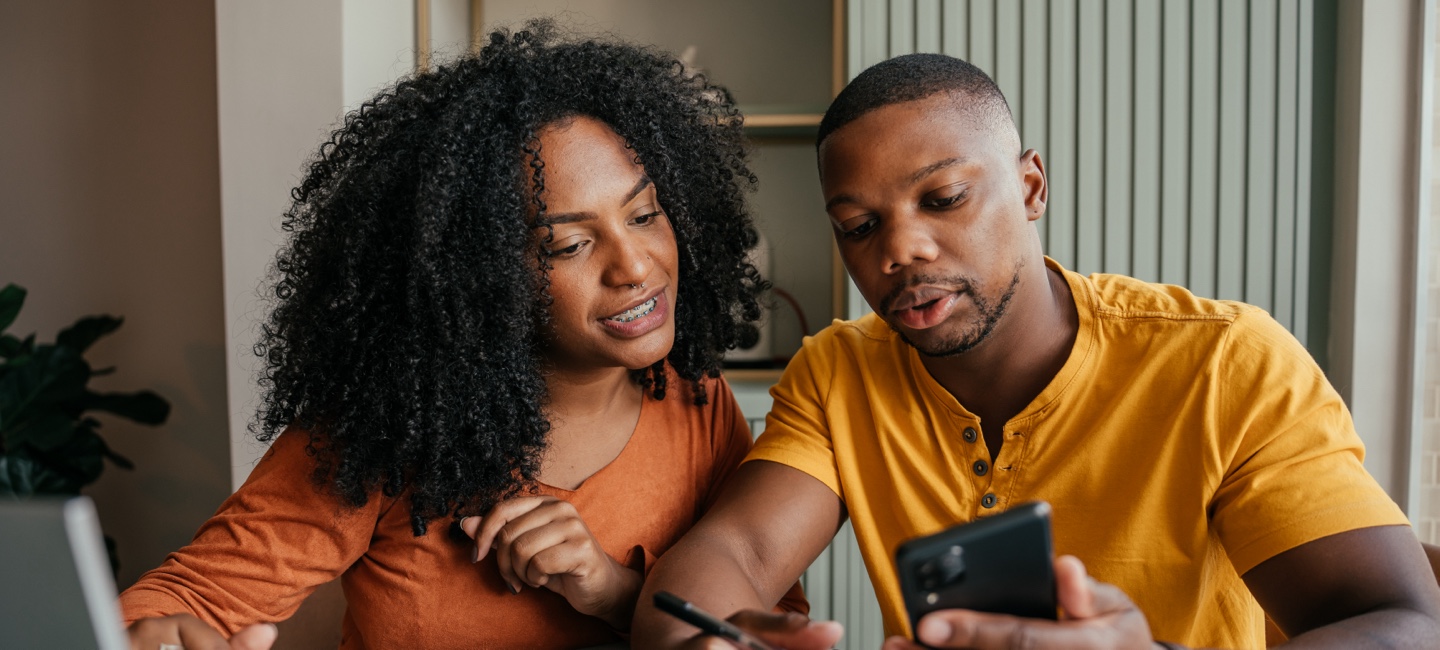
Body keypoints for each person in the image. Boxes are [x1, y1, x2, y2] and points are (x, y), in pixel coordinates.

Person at [632, 53, 1440, 649]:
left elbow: (1401, 621)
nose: (900, 250)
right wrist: (714, 639)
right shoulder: (839, 372)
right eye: (858, 226)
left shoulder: (1226, 361)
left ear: (1030, 187)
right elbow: (731, 551)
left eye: (943, 198)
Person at [119, 22, 804, 650]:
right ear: (477, 272)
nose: (635, 266)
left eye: (646, 214)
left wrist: (614, 591)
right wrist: (163, 636)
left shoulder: (698, 405)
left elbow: (771, 623)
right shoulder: (386, 429)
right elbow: (185, 599)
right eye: (567, 245)